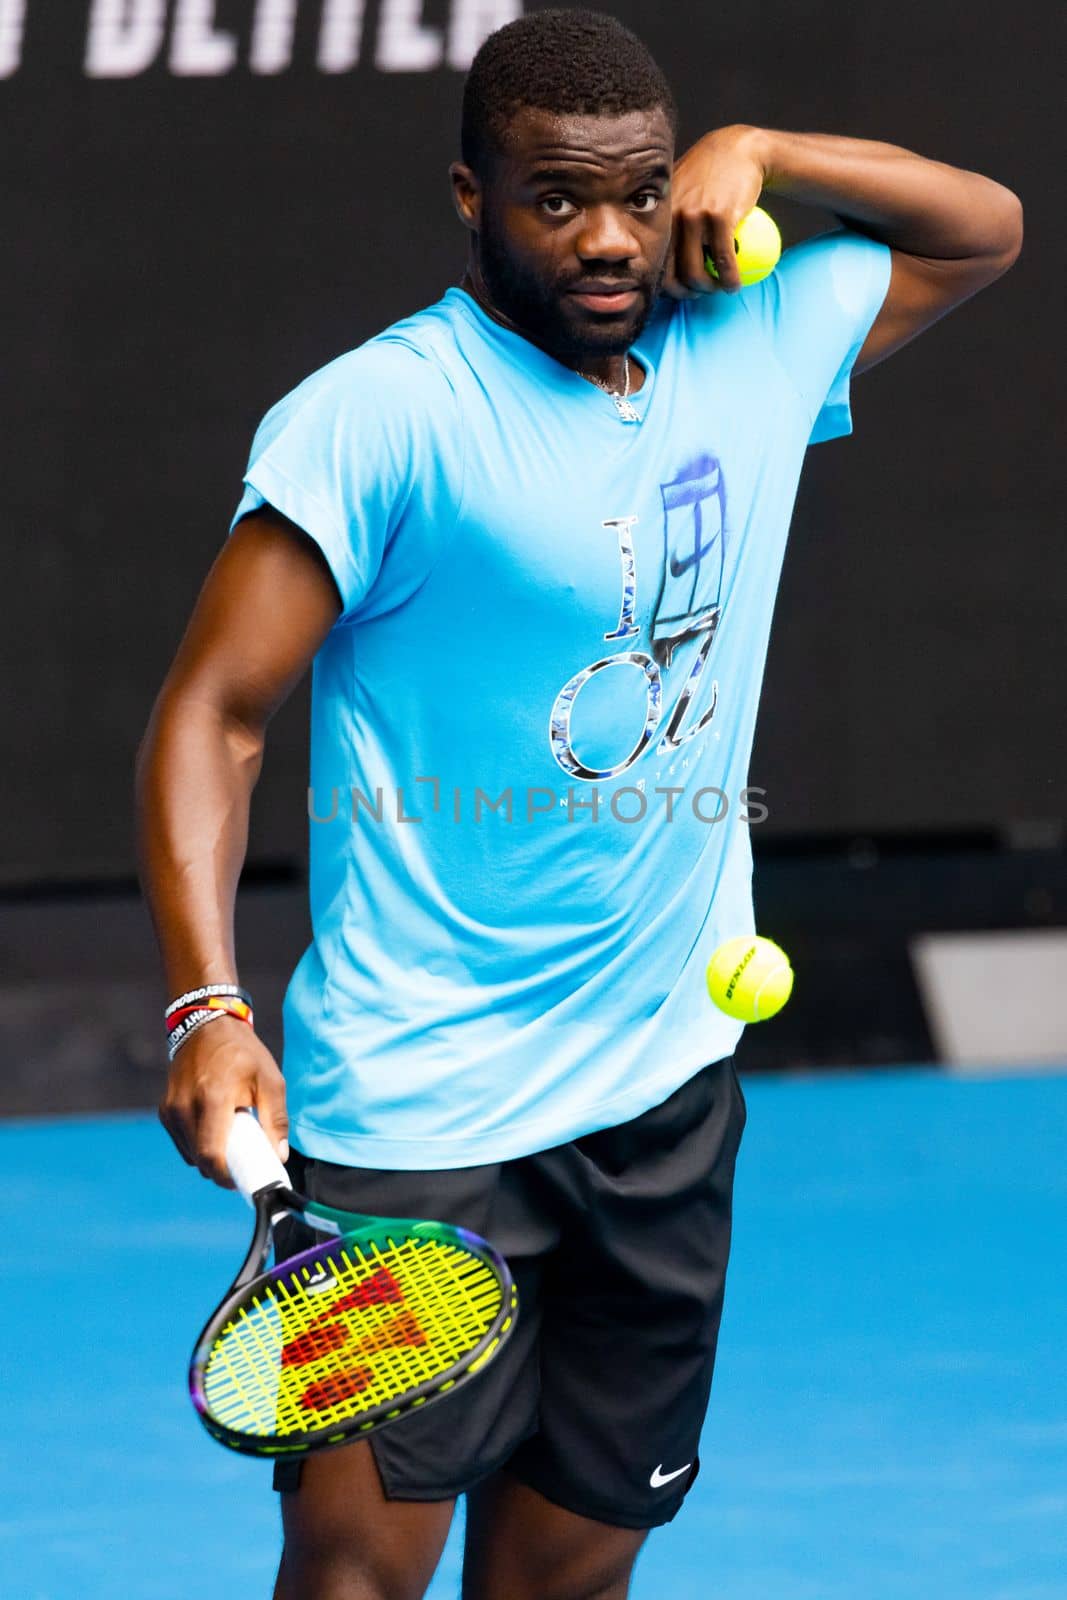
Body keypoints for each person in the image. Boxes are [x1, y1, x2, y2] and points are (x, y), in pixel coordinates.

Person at [136, 9, 1022, 1598]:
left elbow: (985, 227)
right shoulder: (381, 416)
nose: (609, 238)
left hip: (663, 1099)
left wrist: (768, 151)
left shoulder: (752, 342)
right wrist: (208, 1003)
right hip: (416, 1117)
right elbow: (215, 709)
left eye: (637, 191)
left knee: (570, 1581)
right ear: (473, 198)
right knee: (355, 1578)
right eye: (556, 199)